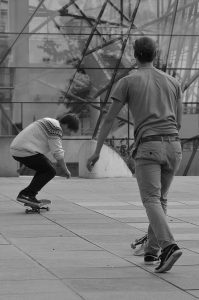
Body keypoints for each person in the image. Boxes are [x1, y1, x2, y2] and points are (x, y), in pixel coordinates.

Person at [87, 36, 183, 273]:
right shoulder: (173, 82)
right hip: (174, 146)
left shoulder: (128, 81)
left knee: (151, 199)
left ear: (134, 54)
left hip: (149, 146)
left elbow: (109, 118)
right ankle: (152, 251)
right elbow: (178, 122)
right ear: (155, 54)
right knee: (160, 200)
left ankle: (169, 246)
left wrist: (97, 151)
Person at [10, 113, 79, 204]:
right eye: (70, 130)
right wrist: (65, 170)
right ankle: (26, 194)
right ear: (65, 125)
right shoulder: (56, 129)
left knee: (46, 168)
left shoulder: (49, 121)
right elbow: (57, 152)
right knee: (50, 171)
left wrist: (23, 166)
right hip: (24, 150)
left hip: (20, 149)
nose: (69, 133)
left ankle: (30, 195)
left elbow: (35, 142)